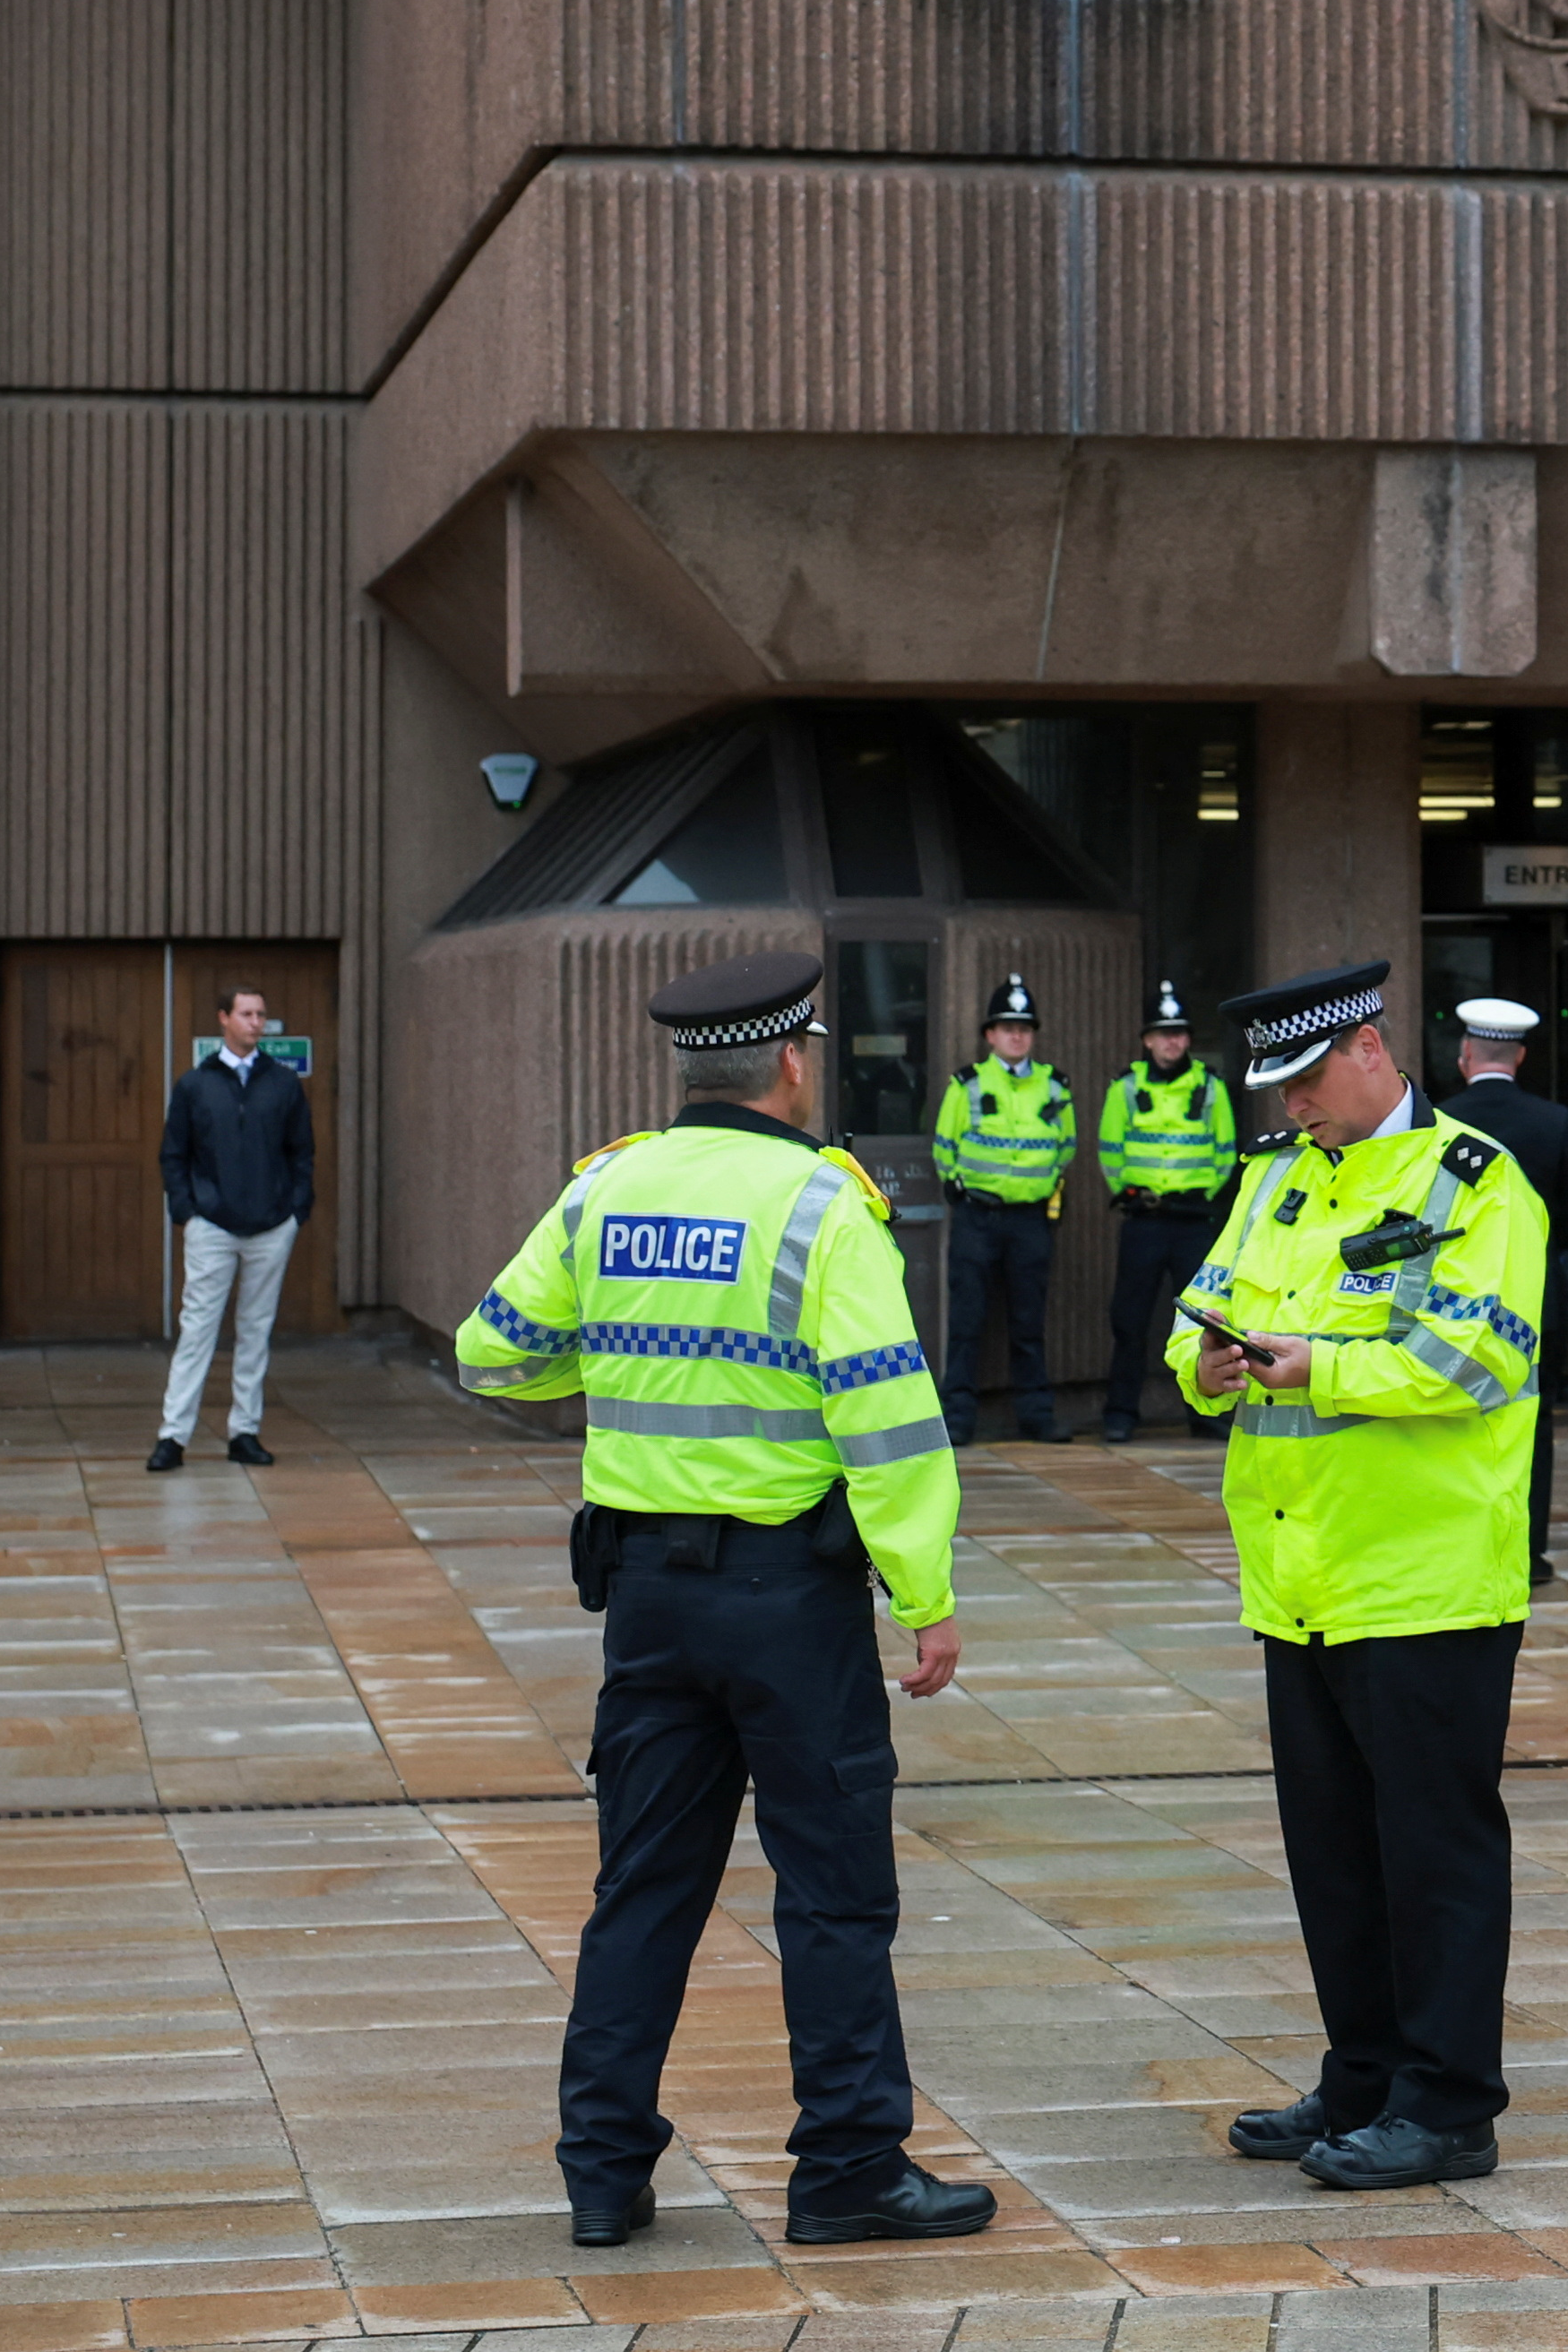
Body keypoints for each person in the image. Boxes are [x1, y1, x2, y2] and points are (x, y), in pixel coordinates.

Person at [450, 949, 993, 2249]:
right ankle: (850, 2169)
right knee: (831, 1891)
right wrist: (926, 1592)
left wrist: (624, 1344)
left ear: (689, 1067)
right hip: (788, 1602)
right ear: (793, 1061)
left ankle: (600, 2170)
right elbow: (889, 1420)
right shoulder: (822, 1205)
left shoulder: (605, 1190)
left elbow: (487, 1350)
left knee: (641, 1886)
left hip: (644, 1599)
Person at [1176, 960, 1546, 2193]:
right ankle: (1363, 2073)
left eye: (1302, 1081)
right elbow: (1202, 1308)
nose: (1287, 1107)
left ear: (1370, 1050)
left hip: (1427, 1577)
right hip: (1298, 1574)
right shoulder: (1274, 1179)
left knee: (1433, 1851)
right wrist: (1207, 1365)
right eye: (1274, 1087)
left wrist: (1314, 1367)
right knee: (1331, 1850)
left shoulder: (1475, 1184)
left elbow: (1472, 1358)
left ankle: (1447, 2103)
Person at [1439, 996, 1568, 1581]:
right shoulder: (1553, 1121)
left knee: (1451, 1420)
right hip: (1536, 1298)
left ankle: (1464, 1545)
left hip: (1452, 1300)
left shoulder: (1440, 1118)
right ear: (1521, 1057)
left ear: (1464, 1056)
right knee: (1534, 1424)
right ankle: (1527, 1554)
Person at [151, 983, 313, 1473]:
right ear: (224, 1018)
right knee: (197, 1329)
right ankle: (172, 1437)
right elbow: (173, 1154)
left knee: (255, 1331)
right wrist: (187, 1211)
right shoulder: (195, 1085)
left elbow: (301, 1153)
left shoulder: (283, 1083)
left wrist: (294, 1213)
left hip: (270, 1228)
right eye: (246, 1013)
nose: (255, 1022)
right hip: (212, 1227)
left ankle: (245, 1432)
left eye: (261, 1014)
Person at [930, 973, 1073, 1443]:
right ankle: (958, 1419)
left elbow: (1066, 1147)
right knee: (967, 1322)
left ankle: (1036, 1417)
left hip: (1031, 1220)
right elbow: (944, 1147)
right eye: (1007, 1027)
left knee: (1029, 1323)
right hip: (978, 1217)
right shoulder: (966, 1084)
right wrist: (962, 1185)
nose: (1017, 1035)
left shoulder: (1054, 1087)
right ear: (990, 1035)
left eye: (1025, 1027)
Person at [1097, 981, 1237, 1447]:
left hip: (1195, 1221)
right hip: (1144, 1219)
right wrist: (1135, 1192)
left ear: (1188, 1039)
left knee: (1204, 1320)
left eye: (1179, 1033)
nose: (1171, 1041)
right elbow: (1109, 1151)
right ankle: (1121, 1414)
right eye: (1162, 1034)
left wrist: (1195, 1194)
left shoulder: (1211, 1088)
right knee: (1129, 1320)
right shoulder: (1125, 1087)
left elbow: (1225, 1154)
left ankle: (1207, 1414)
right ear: (1147, 1040)